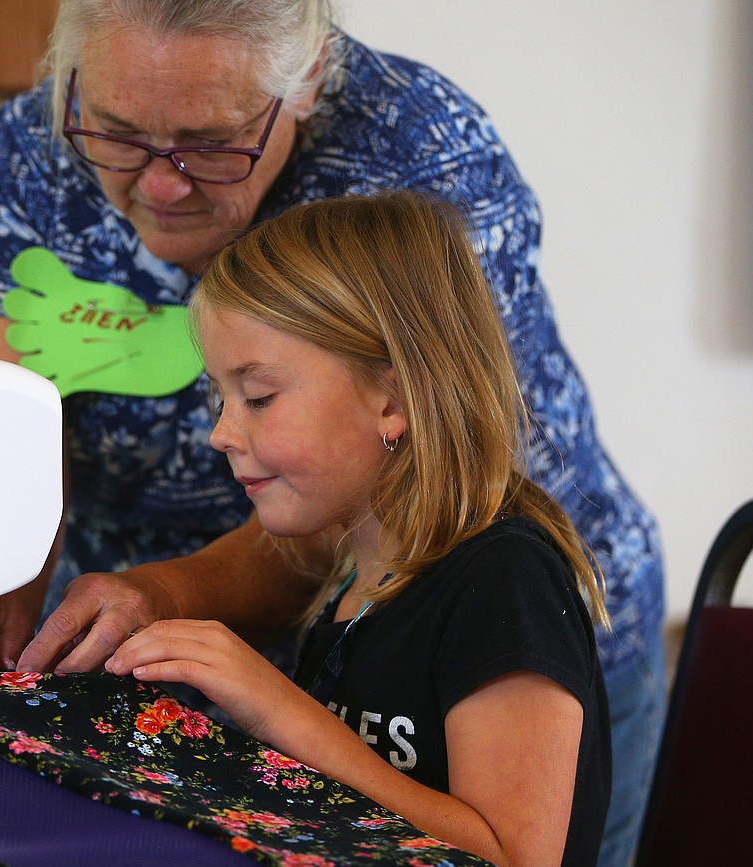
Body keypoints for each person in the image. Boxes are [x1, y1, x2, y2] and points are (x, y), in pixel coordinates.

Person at [0, 2, 663, 864]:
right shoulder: (348, 600)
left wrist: (248, 677)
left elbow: (502, 849)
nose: (160, 184)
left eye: (207, 142)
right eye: (116, 131)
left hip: (424, 656)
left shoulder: (416, 153)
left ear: (304, 84)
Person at [106, 190, 611, 866]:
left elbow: (512, 856)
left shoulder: (502, 581)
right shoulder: (358, 578)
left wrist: (278, 708)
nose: (222, 434)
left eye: (258, 397)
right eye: (219, 397)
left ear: (394, 400)